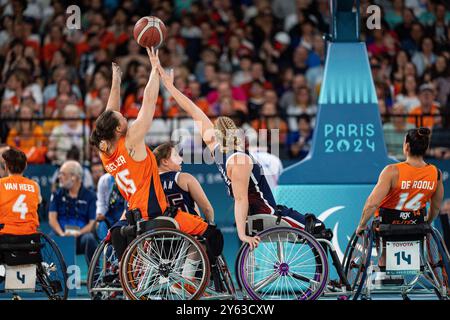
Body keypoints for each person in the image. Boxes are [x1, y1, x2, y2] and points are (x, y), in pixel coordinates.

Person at [156, 64, 327, 250]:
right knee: (319, 232)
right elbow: (240, 199)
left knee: (316, 230)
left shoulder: (220, 153)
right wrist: (242, 234)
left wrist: (170, 87)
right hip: (267, 213)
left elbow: (194, 111)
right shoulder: (237, 159)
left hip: (258, 214)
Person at [89, 50, 221, 263]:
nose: (124, 116)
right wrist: (154, 69)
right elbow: (149, 103)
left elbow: (109, 113)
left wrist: (116, 82)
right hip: (155, 211)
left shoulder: (104, 150)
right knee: (213, 235)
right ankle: (187, 284)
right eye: (122, 118)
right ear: (117, 129)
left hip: (132, 213)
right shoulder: (131, 141)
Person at [357, 127, 444, 237]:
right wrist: (427, 223)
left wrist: (362, 225)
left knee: (384, 250)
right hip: (416, 225)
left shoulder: (392, 171)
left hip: (388, 225)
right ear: (426, 148)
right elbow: (435, 207)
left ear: (406, 146)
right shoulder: (436, 173)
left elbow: (372, 204)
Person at [48, 160, 98, 264]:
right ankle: (51, 278)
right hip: (61, 234)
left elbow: (93, 223)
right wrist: (61, 234)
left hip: (81, 236)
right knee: (50, 238)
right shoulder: (57, 194)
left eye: (63, 174)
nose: (59, 177)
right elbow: (52, 219)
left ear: (73, 177)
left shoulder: (90, 196)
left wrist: (79, 233)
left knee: (89, 238)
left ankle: (95, 278)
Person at [153, 141, 214, 222]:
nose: (181, 158)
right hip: (189, 230)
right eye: (175, 155)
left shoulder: (149, 183)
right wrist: (210, 226)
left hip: (160, 231)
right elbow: (207, 209)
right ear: (165, 161)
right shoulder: (184, 178)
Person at [0, 148, 41, 235]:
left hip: (5, 234)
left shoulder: (1, 184)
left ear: (6, 167)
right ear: (25, 166)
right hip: (29, 235)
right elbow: (38, 203)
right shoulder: (34, 185)